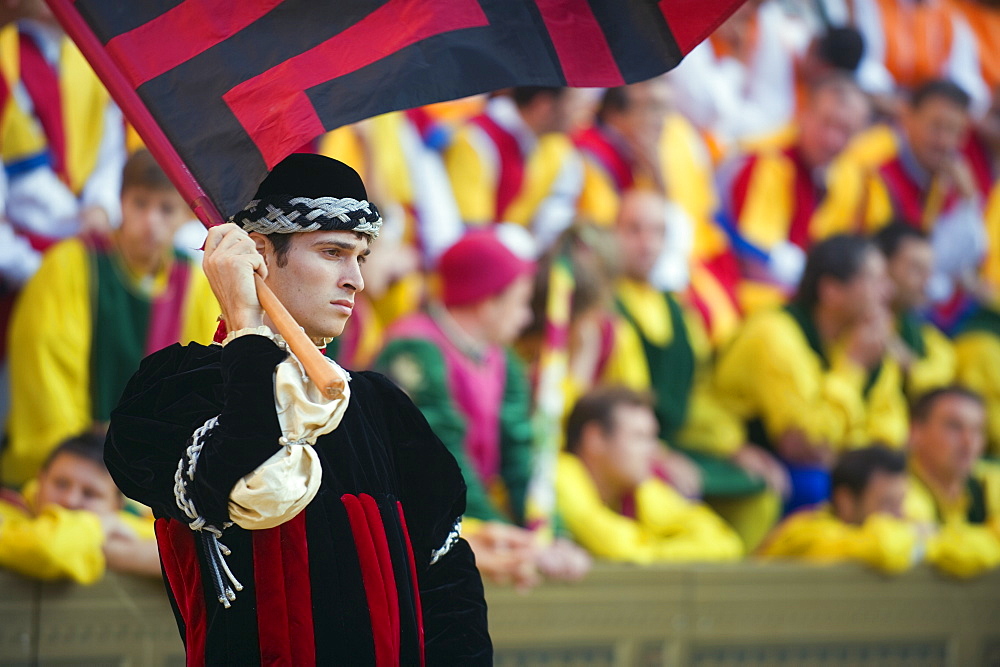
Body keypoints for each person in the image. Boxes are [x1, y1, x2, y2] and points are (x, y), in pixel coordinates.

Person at [104, 154, 491, 664]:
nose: (354, 279)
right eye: (332, 252)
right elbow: (247, 471)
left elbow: (450, 598)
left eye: (361, 257)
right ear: (258, 256)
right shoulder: (173, 391)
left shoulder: (381, 407)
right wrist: (245, 319)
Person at [376, 229, 591, 583]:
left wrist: (552, 537)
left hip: (473, 524)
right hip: (420, 529)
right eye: (521, 302)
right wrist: (513, 541)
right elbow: (444, 464)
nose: (525, 318)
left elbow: (522, 459)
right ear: (488, 301)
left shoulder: (502, 358)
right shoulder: (415, 348)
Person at [2, 149, 219, 487]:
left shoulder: (195, 286)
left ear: (185, 217)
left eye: (165, 209)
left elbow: (197, 392)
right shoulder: (71, 265)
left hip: (147, 481)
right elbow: (47, 377)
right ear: (120, 201)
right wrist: (87, 470)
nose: (151, 221)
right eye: (140, 203)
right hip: (64, 476)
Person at [613, 189, 787, 548]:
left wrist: (733, 447)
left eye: (657, 232)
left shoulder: (683, 314)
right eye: (633, 230)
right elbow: (614, 404)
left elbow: (699, 394)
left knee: (761, 492)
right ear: (613, 234)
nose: (646, 243)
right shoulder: (606, 308)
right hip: (628, 449)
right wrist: (659, 455)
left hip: (680, 444)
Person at [714, 234, 909, 511]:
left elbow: (890, 434)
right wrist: (852, 367)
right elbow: (806, 444)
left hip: (824, 465)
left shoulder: (867, 337)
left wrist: (850, 456)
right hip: (736, 455)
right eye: (874, 280)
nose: (888, 291)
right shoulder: (775, 333)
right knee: (823, 489)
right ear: (831, 290)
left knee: (896, 492)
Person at [720, 75, 871, 305]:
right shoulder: (767, 161)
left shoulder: (849, 177)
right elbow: (754, 263)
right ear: (804, 113)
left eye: (845, 131)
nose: (832, 139)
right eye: (826, 123)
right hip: (747, 290)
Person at [557, 387, 744, 564]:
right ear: (595, 438)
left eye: (653, 437)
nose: (653, 450)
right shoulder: (562, 473)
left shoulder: (641, 487)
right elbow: (622, 549)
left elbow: (726, 541)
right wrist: (661, 548)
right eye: (639, 437)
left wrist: (652, 550)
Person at [0, 433, 159, 583]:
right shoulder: (5, 511)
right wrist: (101, 526)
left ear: (117, 505)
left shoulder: (132, 520)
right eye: (61, 484)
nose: (70, 500)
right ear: (40, 480)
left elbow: (179, 551)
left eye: (90, 493)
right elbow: (47, 549)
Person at [444, 87, 582, 249]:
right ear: (543, 106)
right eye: (574, 104)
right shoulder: (475, 139)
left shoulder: (556, 147)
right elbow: (471, 231)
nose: (580, 115)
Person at [758, 445, 922, 574]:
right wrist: (918, 540)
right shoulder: (807, 534)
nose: (900, 515)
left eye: (900, 503)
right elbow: (882, 548)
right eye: (887, 504)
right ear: (846, 502)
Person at [904, 387, 1000, 576]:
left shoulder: (991, 478)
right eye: (954, 427)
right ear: (916, 432)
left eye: (977, 430)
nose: (968, 442)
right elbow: (944, 553)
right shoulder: (897, 487)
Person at [872, 222, 957, 398]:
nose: (927, 284)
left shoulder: (919, 332)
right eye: (916, 269)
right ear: (880, 265)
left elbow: (943, 376)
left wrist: (907, 365)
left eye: (929, 272)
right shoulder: (849, 322)